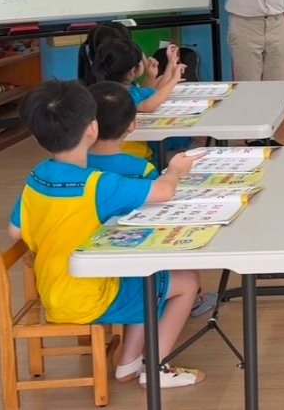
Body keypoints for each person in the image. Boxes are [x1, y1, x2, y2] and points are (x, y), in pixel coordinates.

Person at [7, 80, 205, 388]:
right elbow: (163, 191)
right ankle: (158, 369)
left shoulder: (37, 176)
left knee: (147, 278)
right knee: (186, 283)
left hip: (53, 292)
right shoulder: (97, 184)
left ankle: (128, 363)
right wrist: (176, 170)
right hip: (90, 296)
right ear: (92, 128)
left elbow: (15, 231)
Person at [86, 82, 217, 317]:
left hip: (90, 255)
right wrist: (174, 173)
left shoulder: (79, 167)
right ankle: (194, 299)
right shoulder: (140, 169)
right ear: (132, 124)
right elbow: (160, 205)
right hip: (136, 253)